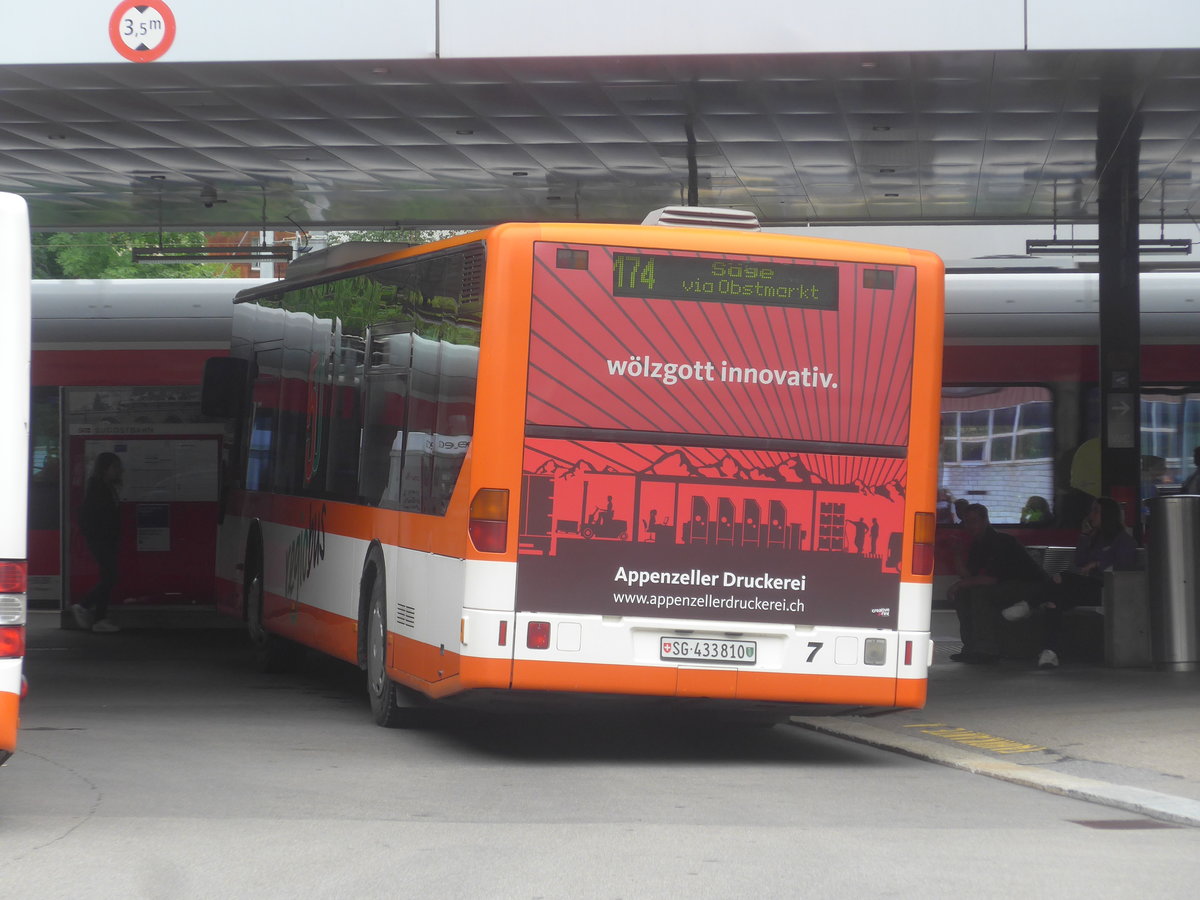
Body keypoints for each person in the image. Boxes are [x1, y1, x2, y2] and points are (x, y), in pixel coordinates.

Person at [1007, 496, 1138, 669]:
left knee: (1061, 579)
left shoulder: (1123, 540)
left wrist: (1099, 563)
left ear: (1108, 515)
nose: (1091, 515)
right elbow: (1079, 561)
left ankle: (1028, 605)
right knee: (1054, 601)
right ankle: (1049, 652)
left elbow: (1125, 564)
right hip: (1084, 586)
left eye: (1096, 511)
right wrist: (1084, 537)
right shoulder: (1095, 537)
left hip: (1106, 589)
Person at [948, 503, 1048, 663]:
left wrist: (958, 585)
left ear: (985, 520)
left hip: (1029, 586)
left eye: (974, 521)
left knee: (981, 594)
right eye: (967, 522)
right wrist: (957, 555)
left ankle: (986, 650)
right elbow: (969, 576)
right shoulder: (978, 544)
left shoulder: (1001, 542)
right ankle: (971, 647)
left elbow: (990, 579)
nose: (969, 526)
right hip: (1007, 585)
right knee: (964, 595)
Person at [70, 452, 123, 633]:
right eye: (115, 467)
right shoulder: (98, 488)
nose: (118, 471)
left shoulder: (105, 487)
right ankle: (86, 607)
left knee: (108, 577)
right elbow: (89, 517)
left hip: (105, 539)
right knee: (110, 577)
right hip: (102, 540)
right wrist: (101, 535)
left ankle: (99, 618)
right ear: (105, 468)